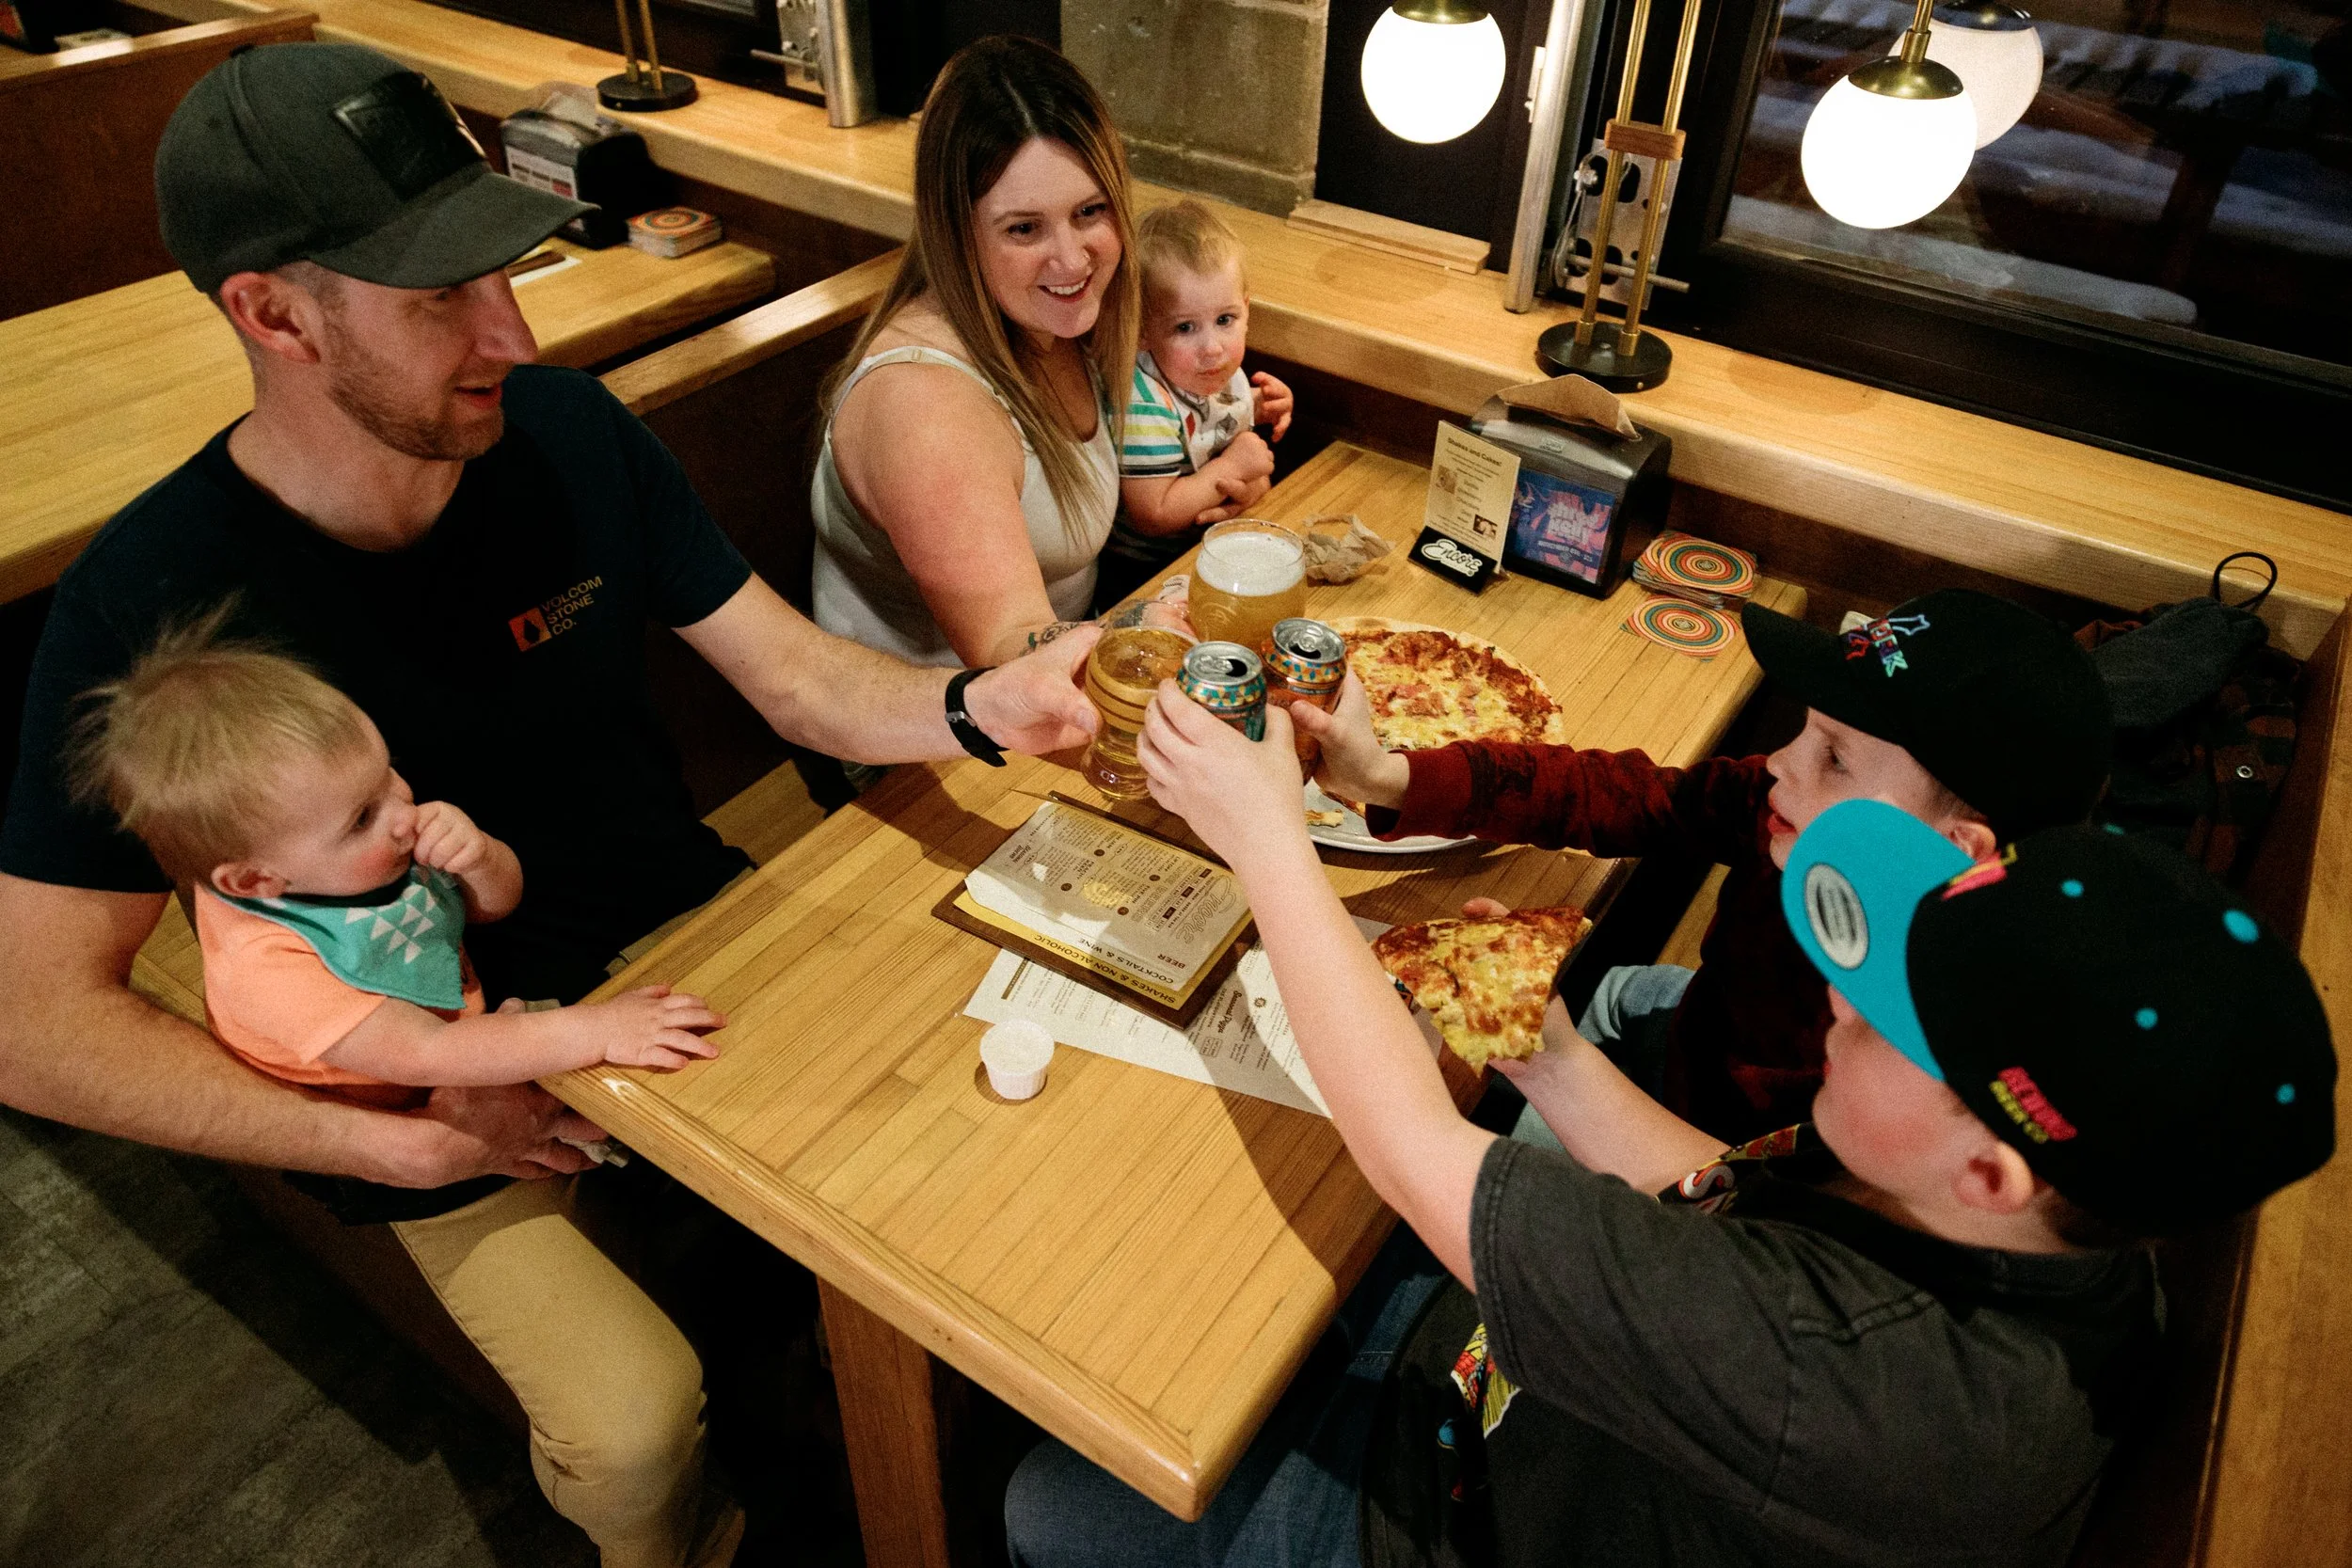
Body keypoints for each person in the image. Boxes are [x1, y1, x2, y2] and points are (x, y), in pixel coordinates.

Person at [0, 42, 1101, 1568]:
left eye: (503, 270)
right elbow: (31, 1020)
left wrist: (982, 705)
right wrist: (383, 1148)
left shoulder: (569, 432)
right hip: (419, 1075)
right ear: (272, 313)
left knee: (997, 1182)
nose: (511, 333)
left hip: (685, 950)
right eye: (437, 295)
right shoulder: (154, 602)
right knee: (639, 1422)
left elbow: (795, 679)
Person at [1004, 700, 2335, 1568]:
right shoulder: (2065, 1235)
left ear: (1991, 1168)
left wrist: (1263, 836)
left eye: (1880, 1018)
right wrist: (1554, 1054)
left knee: (1045, 1502)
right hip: (1517, 1384)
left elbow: (1413, 1150)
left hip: (1449, 1513)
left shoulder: (1853, 1382)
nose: (1836, 997)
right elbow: (1712, 1190)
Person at [1295, 588, 2112, 1144]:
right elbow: (1622, 794)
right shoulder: (1784, 804)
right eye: (1805, 729)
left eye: (1834, 757)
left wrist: (1563, 1073)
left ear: (1955, 851)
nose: (1781, 763)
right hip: (1690, 1041)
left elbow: (1737, 1219)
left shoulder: (1924, 1080)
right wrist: (1390, 777)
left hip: (1721, 1171)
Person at [71, 623, 727, 1102]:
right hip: (394, 1104)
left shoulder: (340, 854)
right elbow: (425, 1052)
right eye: (363, 816)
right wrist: (593, 1031)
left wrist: (479, 858)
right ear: (255, 880)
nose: (401, 811)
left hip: (456, 1046)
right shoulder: (268, 969)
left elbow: (495, 905)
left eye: (388, 773)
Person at [812, 37, 1139, 668]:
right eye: (1024, 228)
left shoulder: (1061, 319)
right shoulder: (922, 406)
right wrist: (1144, 632)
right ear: (956, 233)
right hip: (939, 724)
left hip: (1062, 683)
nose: (1072, 259)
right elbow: (1012, 652)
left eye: (1090, 211)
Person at [1093, 199, 1295, 610]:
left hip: (1203, 550)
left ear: (1246, 309)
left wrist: (1257, 405)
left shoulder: (1203, 371)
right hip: (1141, 573)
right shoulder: (1143, 404)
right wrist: (1230, 469)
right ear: (1141, 333)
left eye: (1225, 320)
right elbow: (1153, 514)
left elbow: (1212, 418)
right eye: (1185, 327)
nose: (1212, 347)